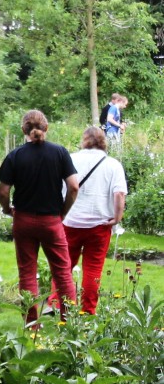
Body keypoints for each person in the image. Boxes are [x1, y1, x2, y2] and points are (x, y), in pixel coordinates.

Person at [0, 110, 80, 326]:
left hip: (23, 220)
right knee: (62, 272)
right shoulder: (60, 153)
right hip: (51, 220)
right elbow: (73, 187)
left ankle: (31, 324)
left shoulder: (15, 156)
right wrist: (63, 212)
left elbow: (4, 191)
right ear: (47, 127)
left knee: (27, 272)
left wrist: (7, 210)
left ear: (23, 129)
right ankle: (68, 323)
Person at [49, 127, 127, 314]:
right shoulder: (112, 164)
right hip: (100, 225)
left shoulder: (71, 159)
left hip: (70, 222)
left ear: (84, 140)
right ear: (103, 142)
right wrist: (117, 217)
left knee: (64, 266)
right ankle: (87, 310)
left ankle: (58, 304)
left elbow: (59, 188)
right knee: (93, 268)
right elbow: (119, 194)